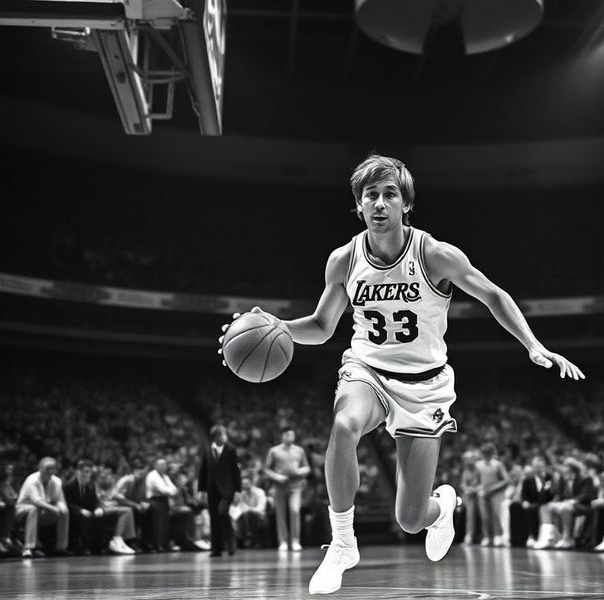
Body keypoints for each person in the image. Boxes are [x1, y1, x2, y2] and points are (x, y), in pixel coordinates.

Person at [219, 154, 584, 594]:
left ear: (405, 204)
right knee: (344, 425)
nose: (379, 203)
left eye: (389, 194)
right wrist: (277, 326)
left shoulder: (434, 254)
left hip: (425, 384)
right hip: (368, 370)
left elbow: (493, 294)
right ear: (358, 204)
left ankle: (441, 508)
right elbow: (321, 326)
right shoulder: (343, 260)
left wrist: (533, 345)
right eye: (370, 194)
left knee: (410, 519)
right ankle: (342, 543)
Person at [63, 459, 136, 555]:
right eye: (86, 472)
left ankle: (118, 539)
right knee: (83, 519)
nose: (88, 475)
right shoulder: (68, 486)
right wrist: (80, 510)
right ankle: (84, 547)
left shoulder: (90, 486)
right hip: (77, 513)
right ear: (78, 472)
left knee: (124, 511)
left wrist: (99, 508)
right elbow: (67, 504)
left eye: (89, 472)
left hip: (92, 511)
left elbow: (95, 501)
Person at [198, 425, 242, 557]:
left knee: (222, 512)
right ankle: (217, 548)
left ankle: (231, 542)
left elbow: (235, 471)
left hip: (227, 489)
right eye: (223, 434)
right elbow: (203, 471)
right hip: (212, 489)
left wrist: (238, 490)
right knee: (214, 517)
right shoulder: (207, 450)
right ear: (216, 437)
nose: (225, 437)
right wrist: (201, 490)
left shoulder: (230, 449)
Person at [264, 427, 310, 551]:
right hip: (279, 486)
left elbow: (306, 467)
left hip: (295, 486)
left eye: (292, 435)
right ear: (282, 436)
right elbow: (267, 469)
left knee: (295, 511)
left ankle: (295, 541)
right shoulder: (274, 451)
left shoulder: (299, 451)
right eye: (287, 435)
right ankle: (283, 542)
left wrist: (298, 471)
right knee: (280, 514)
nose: (290, 437)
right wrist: (276, 477)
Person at [16, 457, 71, 558]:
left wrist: (62, 508)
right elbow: (36, 501)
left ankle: (61, 547)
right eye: (47, 468)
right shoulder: (32, 480)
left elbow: (60, 499)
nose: (50, 471)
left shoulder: (57, 481)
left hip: (43, 511)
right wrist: (53, 508)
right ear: (40, 468)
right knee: (33, 509)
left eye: (52, 469)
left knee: (64, 511)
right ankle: (29, 547)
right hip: (22, 510)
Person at [474, 442, 510, 546]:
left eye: (488, 452)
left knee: (496, 514)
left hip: (496, 493)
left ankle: (498, 536)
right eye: (484, 452)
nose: (486, 455)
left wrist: (493, 488)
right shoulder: (478, 465)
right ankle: (487, 537)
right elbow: (477, 481)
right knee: (485, 516)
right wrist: (479, 489)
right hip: (484, 493)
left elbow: (506, 479)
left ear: (492, 452)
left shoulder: (498, 464)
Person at [230, 475, 269, 548]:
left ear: (251, 483)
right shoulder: (242, 494)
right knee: (235, 515)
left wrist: (249, 509)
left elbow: (261, 509)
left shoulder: (259, 492)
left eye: (246, 483)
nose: (244, 486)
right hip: (245, 517)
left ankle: (249, 536)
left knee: (248, 513)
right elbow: (239, 506)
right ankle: (238, 539)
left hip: (260, 517)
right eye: (243, 484)